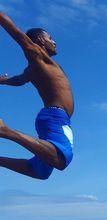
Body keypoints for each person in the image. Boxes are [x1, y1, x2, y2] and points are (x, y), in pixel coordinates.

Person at [0, 11, 74, 180]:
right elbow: (15, 32)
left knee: (39, 171)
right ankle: (5, 130)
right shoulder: (37, 56)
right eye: (50, 38)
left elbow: (18, 80)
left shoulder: (34, 69)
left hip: (57, 118)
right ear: (40, 41)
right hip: (55, 117)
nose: (54, 42)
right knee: (62, 159)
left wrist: (2, 81)